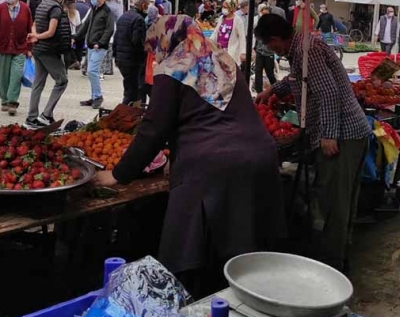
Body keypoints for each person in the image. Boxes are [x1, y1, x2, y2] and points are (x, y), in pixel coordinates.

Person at [94, 15, 284, 290]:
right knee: (244, 245)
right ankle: (239, 297)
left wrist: (119, 174)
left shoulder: (174, 67)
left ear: (165, 40)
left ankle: (196, 300)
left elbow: (154, 128)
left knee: (190, 248)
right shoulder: (222, 58)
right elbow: (203, 113)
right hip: (260, 154)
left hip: (214, 164)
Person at [254, 14, 371, 272]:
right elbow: (297, 78)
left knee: (334, 202)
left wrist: (328, 135)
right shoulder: (300, 49)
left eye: (269, 44)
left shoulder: (308, 52)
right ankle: (337, 255)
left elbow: (328, 94)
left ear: (275, 39)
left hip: (344, 134)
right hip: (347, 131)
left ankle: (332, 265)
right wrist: (272, 90)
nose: (271, 50)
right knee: (339, 200)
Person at [26, 0, 71, 128]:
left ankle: (32, 117)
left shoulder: (42, 5)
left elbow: (34, 24)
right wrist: (37, 36)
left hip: (38, 50)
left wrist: (35, 35)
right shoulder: (56, 9)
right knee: (62, 81)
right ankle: (46, 115)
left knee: (38, 83)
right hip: (49, 50)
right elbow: (51, 32)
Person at [76, 0, 115, 109]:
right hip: (91, 45)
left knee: (92, 71)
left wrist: (101, 42)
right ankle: (94, 96)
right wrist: (75, 36)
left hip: (99, 47)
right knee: (92, 72)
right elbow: (85, 25)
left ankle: (98, 96)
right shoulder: (93, 9)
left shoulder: (107, 11)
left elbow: (109, 29)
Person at [114, 0, 151, 104]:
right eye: (148, 4)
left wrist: (116, 56)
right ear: (144, 5)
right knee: (132, 92)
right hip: (133, 61)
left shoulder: (124, 16)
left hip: (122, 59)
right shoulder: (139, 19)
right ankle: (126, 111)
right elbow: (138, 43)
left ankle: (130, 110)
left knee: (129, 88)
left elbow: (116, 38)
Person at [213, 0, 246, 66]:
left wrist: (243, 52)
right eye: (223, 7)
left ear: (231, 8)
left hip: (230, 51)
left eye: (225, 7)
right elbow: (216, 32)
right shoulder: (221, 18)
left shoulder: (238, 20)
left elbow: (242, 37)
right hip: (219, 50)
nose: (223, 9)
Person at [253, 4, 277, 93]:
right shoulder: (259, 24)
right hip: (259, 51)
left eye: (266, 14)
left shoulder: (273, 26)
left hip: (269, 53)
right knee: (258, 72)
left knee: (270, 73)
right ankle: (258, 92)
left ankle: (276, 90)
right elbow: (255, 37)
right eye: (263, 14)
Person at [62, 0, 82, 70]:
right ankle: (73, 62)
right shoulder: (76, 12)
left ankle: (72, 62)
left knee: (66, 51)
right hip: (72, 33)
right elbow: (78, 23)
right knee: (69, 49)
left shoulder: (62, 11)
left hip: (64, 32)